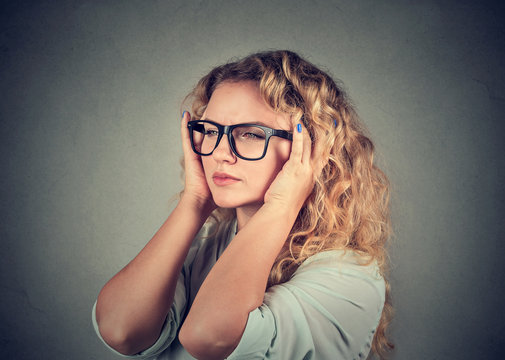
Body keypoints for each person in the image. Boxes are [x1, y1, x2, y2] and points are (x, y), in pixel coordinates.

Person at [92, 50, 393, 360]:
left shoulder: (349, 278)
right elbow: (120, 330)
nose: (220, 152)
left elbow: (208, 336)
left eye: (250, 133)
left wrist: (282, 204)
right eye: (210, 131)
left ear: (311, 147)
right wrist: (194, 202)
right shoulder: (202, 246)